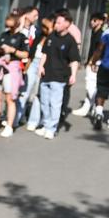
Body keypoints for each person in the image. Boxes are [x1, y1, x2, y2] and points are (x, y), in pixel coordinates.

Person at [33, 9, 80, 140]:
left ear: (67, 24)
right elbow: (45, 53)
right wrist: (41, 66)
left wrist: (73, 75)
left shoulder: (70, 41)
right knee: (44, 102)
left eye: (59, 22)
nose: (56, 25)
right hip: (46, 74)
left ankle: (52, 128)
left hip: (59, 77)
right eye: (56, 22)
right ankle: (46, 124)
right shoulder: (51, 36)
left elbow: (74, 60)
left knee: (55, 103)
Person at [0, 12, 29, 137]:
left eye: (11, 23)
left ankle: (9, 125)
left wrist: (12, 50)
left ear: (16, 23)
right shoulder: (3, 35)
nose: (8, 26)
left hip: (12, 68)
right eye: (7, 23)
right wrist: (0, 50)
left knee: (10, 98)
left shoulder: (21, 37)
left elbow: (26, 55)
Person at [73, 12, 105, 117]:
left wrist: (92, 62)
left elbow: (99, 50)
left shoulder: (101, 34)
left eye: (95, 20)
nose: (92, 22)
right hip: (93, 62)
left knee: (91, 85)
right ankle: (89, 107)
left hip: (95, 63)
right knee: (90, 86)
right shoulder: (94, 32)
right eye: (91, 20)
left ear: (101, 21)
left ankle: (94, 107)